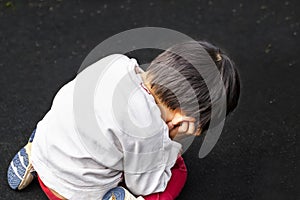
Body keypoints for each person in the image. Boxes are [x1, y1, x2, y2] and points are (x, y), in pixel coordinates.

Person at [7, 41, 240, 200]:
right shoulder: (148, 130)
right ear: (181, 122)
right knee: (176, 173)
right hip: (71, 193)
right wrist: (167, 150)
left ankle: (31, 151)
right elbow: (145, 185)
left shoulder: (116, 62)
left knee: (74, 118)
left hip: (48, 146)